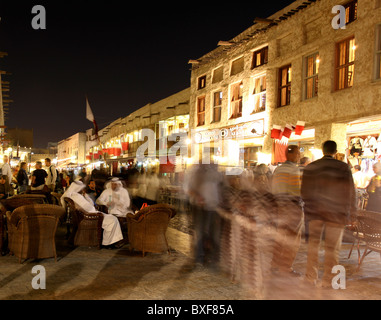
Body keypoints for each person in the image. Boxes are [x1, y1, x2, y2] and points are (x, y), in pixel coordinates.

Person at [301, 140, 356, 287]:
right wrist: (352, 213)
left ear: (322, 150)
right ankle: (328, 280)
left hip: (315, 213)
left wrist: (308, 209)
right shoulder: (343, 167)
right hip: (336, 213)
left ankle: (310, 278)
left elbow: (304, 192)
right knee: (332, 248)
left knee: (313, 246)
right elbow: (350, 191)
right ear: (335, 151)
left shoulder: (311, 167)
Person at [271, 145, 304, 276]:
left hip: (279, 207)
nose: (299, 156)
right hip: (292, 208)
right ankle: (286, 268)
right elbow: (297, 192)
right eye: (298, 153)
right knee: (293, 239)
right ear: (294, 155)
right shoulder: (295, 170)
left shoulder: (278, 170)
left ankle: (274, 264)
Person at [61, 180, 124, 248]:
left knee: (112, 218)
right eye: (81, 188)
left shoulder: (76, 195)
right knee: (112, 220)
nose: (83, 189)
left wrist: (86, 196)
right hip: (90, 217)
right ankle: (108, 243)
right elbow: (89, 206)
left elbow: (91, 205)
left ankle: (111, 242)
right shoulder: (76, 196)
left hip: (91, 214)